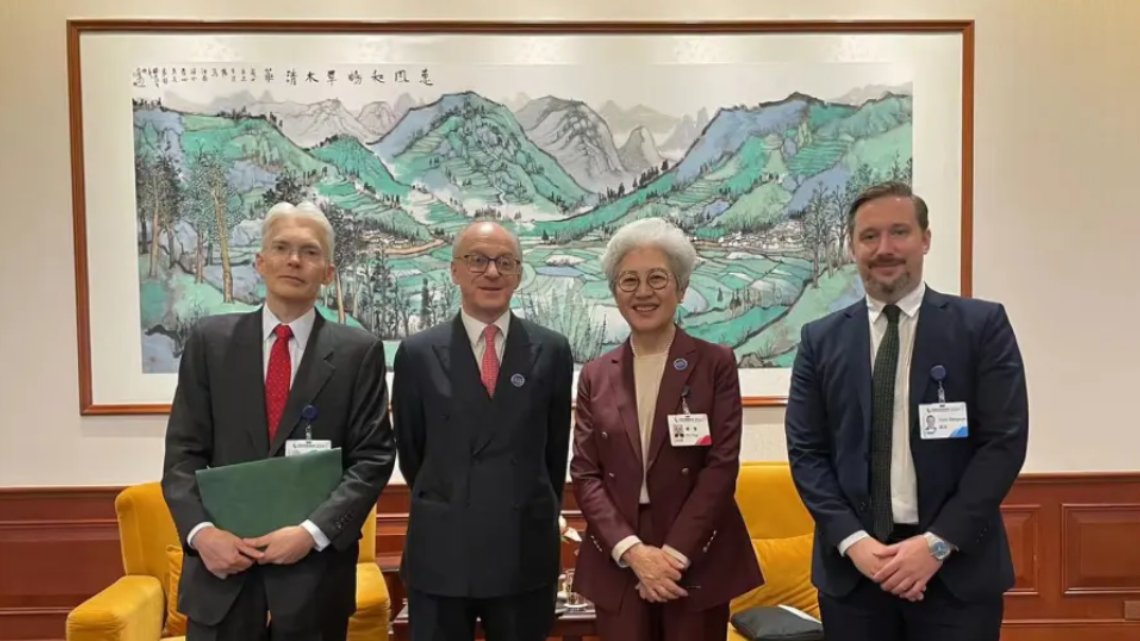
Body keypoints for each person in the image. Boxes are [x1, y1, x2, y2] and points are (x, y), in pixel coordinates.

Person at [785, 181, 1029, 641]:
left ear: (925, 239)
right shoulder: (820, 340)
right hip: (855, 575)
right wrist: (856, 544)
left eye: (899, 232)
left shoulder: (982, 327)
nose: (885, 248)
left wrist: (936, 544)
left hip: (957, 572)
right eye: (869, 236)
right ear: (852, 246)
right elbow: (807, 453)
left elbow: (1003, 444)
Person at [161, 201, 397, 641]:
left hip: (313, 581)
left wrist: (312, 532)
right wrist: (201, 533)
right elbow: (182, 455)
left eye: (309, 252)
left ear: (327, 272)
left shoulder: (358, 352)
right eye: (281, 247)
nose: (294, 260)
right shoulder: (210, 343)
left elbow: (374, 458)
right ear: (261, 262)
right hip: (221, 577)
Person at [569, 217, 763, 640]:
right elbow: (585, 473)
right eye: (629, 281)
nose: (643, 292)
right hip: (619, 552)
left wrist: (671, 556)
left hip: (696, 549)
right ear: (614, 292)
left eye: (657, 278)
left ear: (681, 288)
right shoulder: (596, 375)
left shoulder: (715, 363)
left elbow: (721, 466)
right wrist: (634, 553)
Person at [392, 220, 574, 641]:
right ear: (455, 271)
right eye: (477, 260)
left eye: (505, 262)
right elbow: (413, 452)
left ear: (518, 274)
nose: (491, 272)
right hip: (442, 553)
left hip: (522, 552)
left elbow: (554, 452)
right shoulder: (418, 353)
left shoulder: (551, 350)